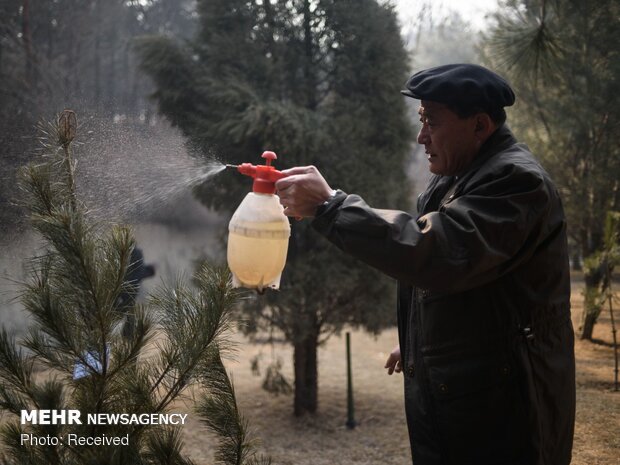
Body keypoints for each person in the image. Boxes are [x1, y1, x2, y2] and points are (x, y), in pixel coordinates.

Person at [274, 64, 575, 465]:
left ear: (480, 125)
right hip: (472, 402)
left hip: (507, 416)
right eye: (421, 121)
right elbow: (478, 287)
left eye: (432, 122)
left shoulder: (517, 182)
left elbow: (437, 253)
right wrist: (421, 338)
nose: (421, 137)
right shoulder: (458, 175)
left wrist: (331, 207)